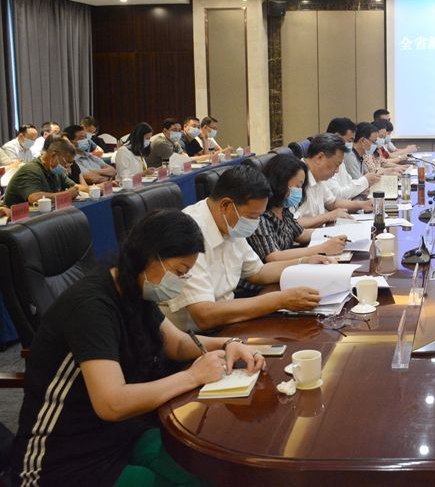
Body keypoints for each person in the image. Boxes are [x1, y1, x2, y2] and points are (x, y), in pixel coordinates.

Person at [11, 209, 265, 486]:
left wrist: (229, 343)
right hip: (64, 459)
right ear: (147, 256)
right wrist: (193, 376)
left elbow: (177, 343)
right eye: (179, 272)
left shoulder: (134, 288)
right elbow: (111, 403)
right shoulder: (90, 308)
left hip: (123, 433)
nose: (180, 283)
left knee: (210, 471)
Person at [163, 165, 327, 331]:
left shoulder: (230, 222)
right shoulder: (188, 232)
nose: (255, 223)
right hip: (195, 334)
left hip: (229, 320)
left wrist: (304, 262)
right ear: (226, 205)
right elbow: (205, 315)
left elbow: (258, 272)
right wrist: (280, 300)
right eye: (252, 216)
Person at [246, 153, 348, 264]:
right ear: (281, 182)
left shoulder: (284, 210)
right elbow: (273, 257)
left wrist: (335, 233)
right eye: (298, 186)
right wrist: (322, 248)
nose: (299, 191)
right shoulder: (260, 215)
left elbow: (301, 234)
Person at [297, 134, 373, 229]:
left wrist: (362, 205)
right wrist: (327, 217)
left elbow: (332, 203)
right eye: (336, 165)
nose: (337, 171)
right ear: (320, 158)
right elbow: (289, 224)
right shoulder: (295, 178)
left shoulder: (317, 176)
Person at [2, 137, 86, 206]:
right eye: (66, 162)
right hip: (16, 218)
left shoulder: (56, 171)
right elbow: (34, 198)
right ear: (53, 155)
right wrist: (66, 195)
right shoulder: (31, 170)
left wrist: (91, 189)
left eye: (70, 163)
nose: (67, 166)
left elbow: (77, 187)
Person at [324, 117, 378, 199]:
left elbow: (349, 183)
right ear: (337, 136)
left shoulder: (340, 158)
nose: (351, 144)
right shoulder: (329, 158)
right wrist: (365, 180)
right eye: (349, 141)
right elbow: (337, 195)